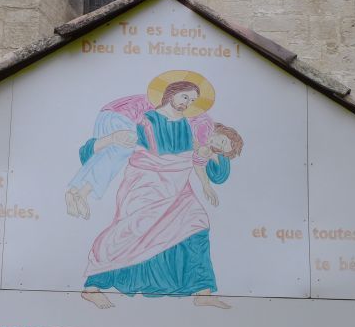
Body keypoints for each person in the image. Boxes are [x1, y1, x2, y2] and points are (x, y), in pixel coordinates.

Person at [74, 76, 244, 309]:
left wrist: (208, 163)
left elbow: (202, 159)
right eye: (185, 96)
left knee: (197, 223)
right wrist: (107, 143)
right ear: (171, 93)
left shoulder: (189, 125)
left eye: (192, 100)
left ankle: (203, 291)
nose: (187, 103)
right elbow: (110, 150)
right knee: (130, 231)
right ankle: (92, 286)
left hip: (178, 186)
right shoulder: (145, 120)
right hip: (146, 184)